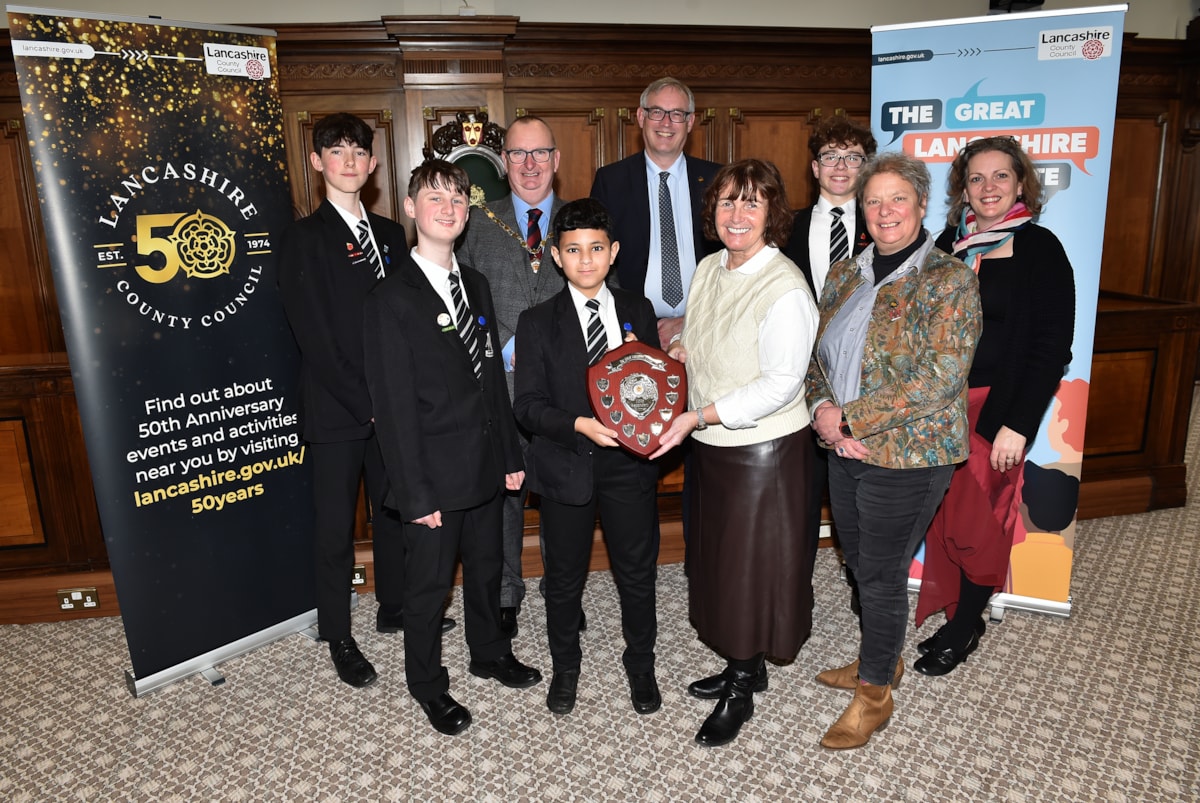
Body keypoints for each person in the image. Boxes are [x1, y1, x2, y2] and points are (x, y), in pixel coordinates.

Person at [806, 152, 981, 750]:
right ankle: (881, 658)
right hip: (841, 447)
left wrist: (851, 416)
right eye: (872, 201)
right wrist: (823, 416)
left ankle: (874, 693)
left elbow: (939, 377)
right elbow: (818, 359)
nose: (884, 211)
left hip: (909, 454)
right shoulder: (843, 275)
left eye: (896, 199)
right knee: (857, 563)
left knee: (879, 575)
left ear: (922, 206)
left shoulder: (948, 280)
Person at [363, 160, 542, 736]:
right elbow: (391, 407)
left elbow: (492, 381)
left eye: (459, 199)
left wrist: (512, 458)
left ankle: (488, 652)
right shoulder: (389, 298)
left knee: (488, 569)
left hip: (486, 465)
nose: (448, 207)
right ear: (411, 208)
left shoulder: (477, 285)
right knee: (430, 588)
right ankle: (427, 685)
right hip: (431, 477)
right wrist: (413, 494)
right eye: (434, 197)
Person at [277, 112, 452, 690]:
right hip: (337, 408)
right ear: (317, 161)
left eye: (359, 152)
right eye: (337, 151)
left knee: (398, 511)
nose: (349, 161)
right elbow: (315, 337)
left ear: (374, 164)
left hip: (391, 408)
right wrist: (369, 401)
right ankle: (338, 634)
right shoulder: (302, 238)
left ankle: (395, 607)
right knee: (334, 527)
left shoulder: (386, 235)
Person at [650, 159, 819, 747]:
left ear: (773, 213)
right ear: (712, 213)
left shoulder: (786, 287)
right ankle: (741, 663)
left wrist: (697, 414)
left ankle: (743, 684)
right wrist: (664, 360)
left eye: (752, 203)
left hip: (764, 453)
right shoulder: (706, 269)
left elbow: (781, 384)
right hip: (712, 446)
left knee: (750, 571)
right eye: (727, 202)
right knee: (721, 563)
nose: (737, 215)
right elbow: (696, 343)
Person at [914, 136, 1075, 676]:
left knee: (982, 520)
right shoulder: (944, 245)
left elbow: (1052, 347)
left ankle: (966, 625)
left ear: (1021, 183)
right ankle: (964, 611)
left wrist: (1018, 425)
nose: (988, 188)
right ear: (962, 187)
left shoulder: (1041, 248)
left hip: (994, 410)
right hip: (940, 407)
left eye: (1000, 177)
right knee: (943, 515)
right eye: (977, 178)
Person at [512, 198, 662, 717]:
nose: (585, 260)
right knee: (564, 576)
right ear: (556, 256)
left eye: (596, 248)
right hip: (566, 466)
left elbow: (657, 388)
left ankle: (641, 666)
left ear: (613, 252)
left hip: (629, 466)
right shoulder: (535, 323)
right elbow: (527, 406)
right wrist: (578, 424)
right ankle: (565, 668)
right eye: (573, 250)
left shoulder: (639, 311)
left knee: (638, 572)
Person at [590, 76, 722, 558]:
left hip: (706, 330)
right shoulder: (611, 179)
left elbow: (733, 261)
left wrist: (692, 319)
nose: (667, 123)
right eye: (658, 112)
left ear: (691, 123)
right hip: (636, 337)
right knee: (641, 449)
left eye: (678, 114)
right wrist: (640, 328)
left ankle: (702, 558)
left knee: (707, 446)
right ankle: (639, 560)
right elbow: (601, 263)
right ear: (640, 118)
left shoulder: (717, 178)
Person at [457, 115, 567, 639]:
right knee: (505, 494)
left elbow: (602, 298)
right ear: (504, 162)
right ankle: (505, 593)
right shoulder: (477, 222)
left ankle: (560, 588)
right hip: (497, 386)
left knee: (562, 493)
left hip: (563, 390)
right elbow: (458, 303)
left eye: (540, 153)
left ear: (556, 160)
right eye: (519, 154)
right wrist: (502, 349)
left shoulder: (580, 220)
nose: (529, 165)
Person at [782, 114, 877, 602]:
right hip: (797, 378)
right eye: (831, 157)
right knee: (799, 490)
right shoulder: (788, 227)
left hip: (863, 381)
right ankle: (796, 590)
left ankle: (866, 589)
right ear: (815, 168)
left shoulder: (885, 225)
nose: (841, 166)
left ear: (866, 166)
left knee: (858, 493)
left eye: (853, 157)